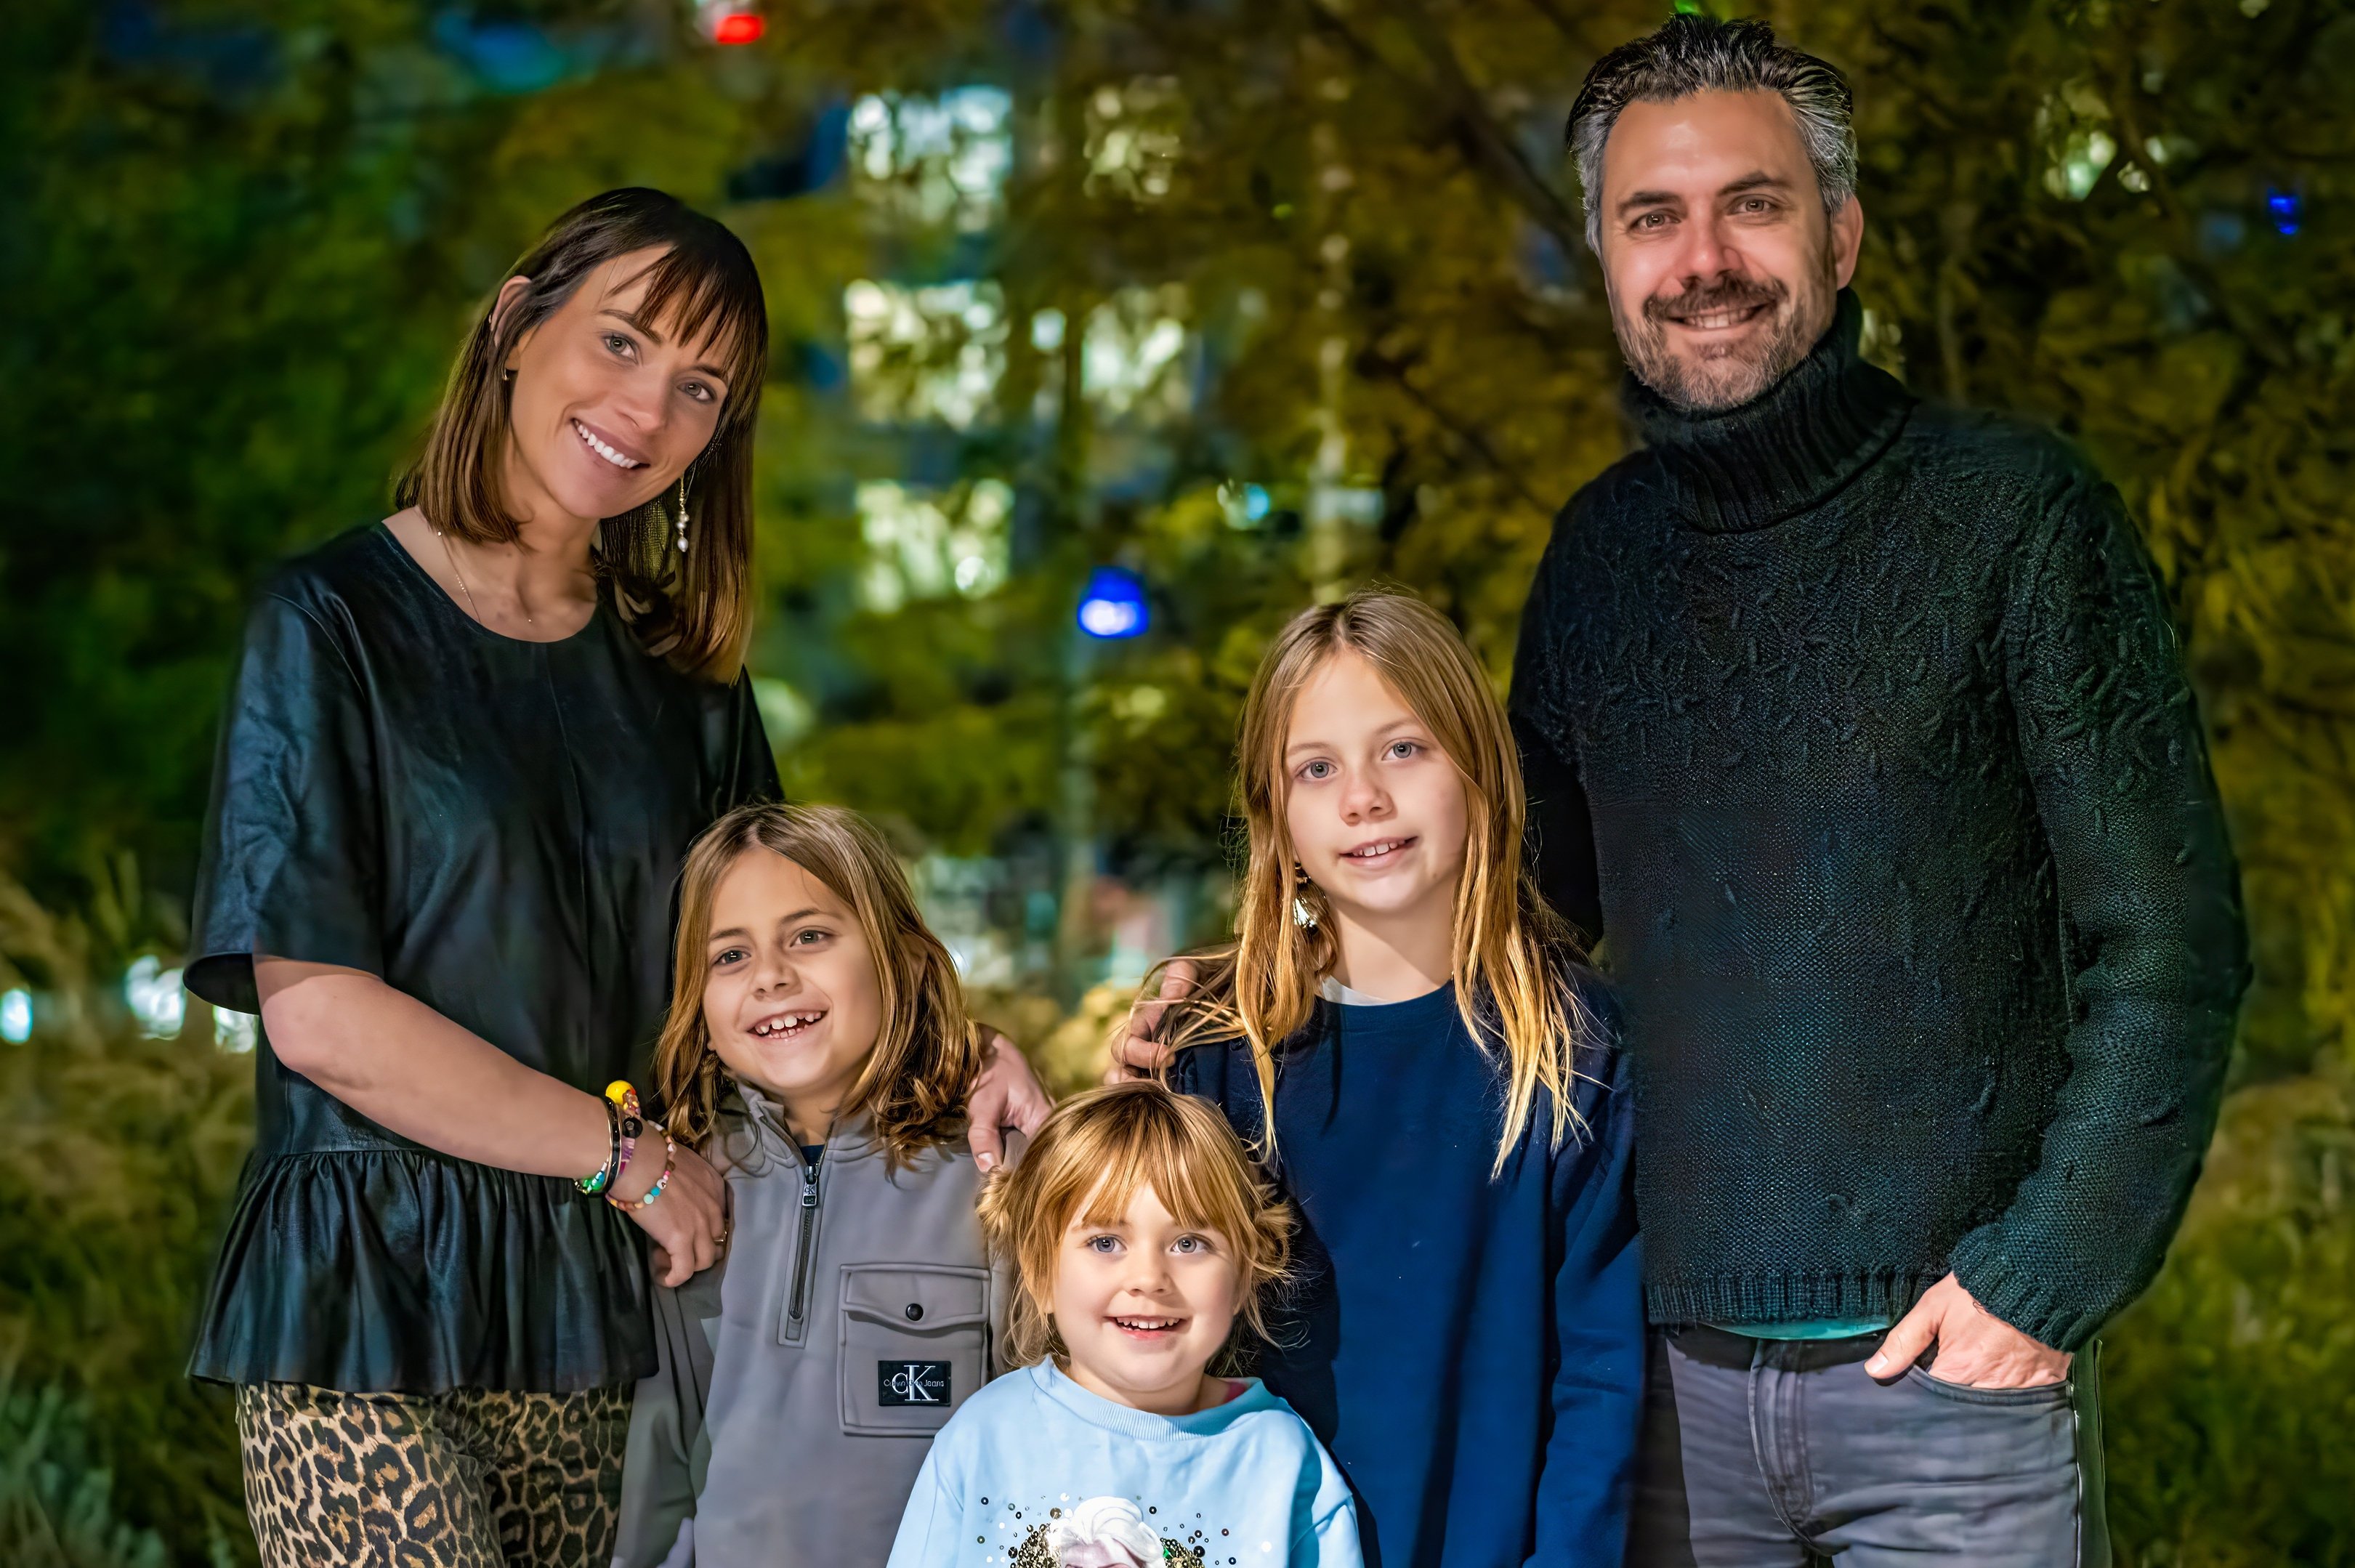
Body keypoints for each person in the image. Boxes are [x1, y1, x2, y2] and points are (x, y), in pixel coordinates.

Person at [182, 188, 1046, 1564]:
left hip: (612, 1303)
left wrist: (970, 1051)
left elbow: (800, 955)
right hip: (372, 1285)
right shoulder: (331, 621)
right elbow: (319, 1012)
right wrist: (622, 1156)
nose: (647, 411)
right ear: (517, 319)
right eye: (623, 342)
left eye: (700, 386)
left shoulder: (685, 681)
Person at [1508, 16, 2247, 1565]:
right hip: (1664, 1397)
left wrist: (2043, 1277)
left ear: (1840, 236)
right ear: (1606, 262)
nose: (1703, 256)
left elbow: (2170, 942)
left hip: (1949, 1391)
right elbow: (1518, 936)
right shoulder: (1594, 563)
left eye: (1752, 204)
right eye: (1653, 217)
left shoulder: (2017, 515)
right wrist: (1233, 995)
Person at [1159, 589, 1643, 1568]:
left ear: (1478, 768)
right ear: (1275, 813)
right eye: (1317, 766)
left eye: (1404, 749)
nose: (1363, 797)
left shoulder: (1575, 1044)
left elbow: (1599, 1374)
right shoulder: (1215, 1049)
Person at [613, 801, 1014, 1567]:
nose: (770, 975)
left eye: (809, 936)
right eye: (728, 956)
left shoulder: (997, 1168)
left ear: (904, 958)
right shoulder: (688, 1184)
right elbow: (663, 1460)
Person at [887, 1080, 1362, 1568]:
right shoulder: (984, 1436)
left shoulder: (1282, 1461)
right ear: (1040, 1272)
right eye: (1106, 1242)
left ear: (1243, 1275)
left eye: (1188, 1243)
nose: (1148, 1278)